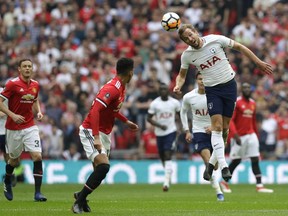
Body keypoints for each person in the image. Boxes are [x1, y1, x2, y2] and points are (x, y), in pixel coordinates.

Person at [173, 24, 273, 182]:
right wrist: (178, 85)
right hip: (212, 91)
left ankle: (211, 165)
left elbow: (240, 47)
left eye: (190, 35)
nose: (190, 39)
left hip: (230, 87)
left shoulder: (215, 39)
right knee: (217, 127)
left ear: (195, 32)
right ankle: (224, 166)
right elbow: (181, 75)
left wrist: (258, 62)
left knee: (225, 129)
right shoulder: (187, 55)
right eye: (186, 39)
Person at [72, 57, 139, 214]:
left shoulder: (121, 87)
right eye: (133, 71)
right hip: (91, 130)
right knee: (103, 167)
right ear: (130, 72)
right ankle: (79, 201)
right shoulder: (112, 88)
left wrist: (125, 121)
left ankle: (81, 196)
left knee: (99, 172)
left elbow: (111, 109)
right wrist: (95, 137)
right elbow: (95, 110)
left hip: (105, 133)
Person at [0, 59, 47, 201]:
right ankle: (7, 180)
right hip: (13, 129)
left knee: (37, 156)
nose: (27, 68)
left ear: (32, 69)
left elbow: (35, 99)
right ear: (19, 69)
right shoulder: (12, 84)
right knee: (14, 161)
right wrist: (12, 115)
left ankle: (37, 193)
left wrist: (38, 111)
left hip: (30, 126)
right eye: (25, 66)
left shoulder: (35, 85)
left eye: (29, 66)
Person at [220, 82, 274, 193]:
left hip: (251, 134)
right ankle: (224, 182)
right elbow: (231, 120)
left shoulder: (253, 103)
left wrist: (256, 135)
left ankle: (259, 185)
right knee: (236, 160)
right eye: (245, 88)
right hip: (239, 136)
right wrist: (234, 134)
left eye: (249, 87)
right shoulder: (237, 103)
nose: (247, 89)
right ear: (242, 90)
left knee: (255, 158)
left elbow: (253, 121)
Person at [180, 72, 224, 201]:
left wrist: (214, 126)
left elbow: (222, 113)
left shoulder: (214, 95)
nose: (202, 81)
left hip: (214, 131)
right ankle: (219, 192)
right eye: (200, 79)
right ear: (196, 80)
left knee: (215, 166)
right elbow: (183, 112)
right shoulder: (189, 97)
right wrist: (187, 130)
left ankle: (214, 179)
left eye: (204, 79)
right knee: (207, 161)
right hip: (199, 132)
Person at [147, 83, 181, 192]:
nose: (163, 91)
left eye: (165, 89)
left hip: (171, 132)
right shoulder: (155, 104)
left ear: (168, 91)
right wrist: (159, 125)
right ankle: (168, 171)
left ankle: (166, 182)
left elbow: (181, 115)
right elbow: (149, 118)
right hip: (159, 133)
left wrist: (181, 127)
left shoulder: (174, 103)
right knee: (162, 156)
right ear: (159, 91)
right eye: (161, 89)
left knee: (167, 153)